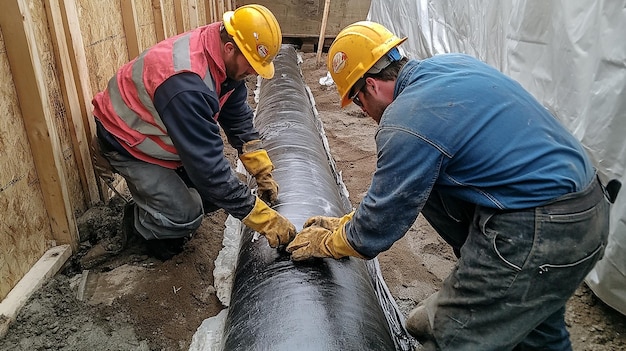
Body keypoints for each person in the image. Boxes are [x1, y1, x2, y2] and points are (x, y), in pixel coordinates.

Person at [286, 21, 615, 350]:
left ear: (370, 86)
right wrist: (346, 222)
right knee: (537, 332)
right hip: (588, 212)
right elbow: (400, 195)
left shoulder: (406, 120)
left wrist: (332, 242)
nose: (365, 112)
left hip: (537, 232)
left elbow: (377, 228)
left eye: (357, 101)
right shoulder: (453, 66)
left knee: (451, 339)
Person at [90, 4, 296, 261]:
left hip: (161, 132)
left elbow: (236, 113)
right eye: (251, 64)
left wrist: (261, 170)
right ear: (230, 49)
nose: (253, 73)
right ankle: (140, 233)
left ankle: (160, 202)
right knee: (185, 213)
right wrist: (265, 221)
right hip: (129, 140)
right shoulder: (188, 84)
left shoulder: (220, 50)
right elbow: (209, 170)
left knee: (217, 196)